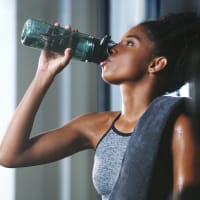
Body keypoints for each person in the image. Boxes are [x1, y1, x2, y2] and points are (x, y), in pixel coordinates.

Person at [0, 12, 200, 200]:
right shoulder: (96, 126)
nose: (112, 48)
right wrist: (44, 74)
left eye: (129, 43)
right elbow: (11, 155)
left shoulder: (178, 124)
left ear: (156, 64)